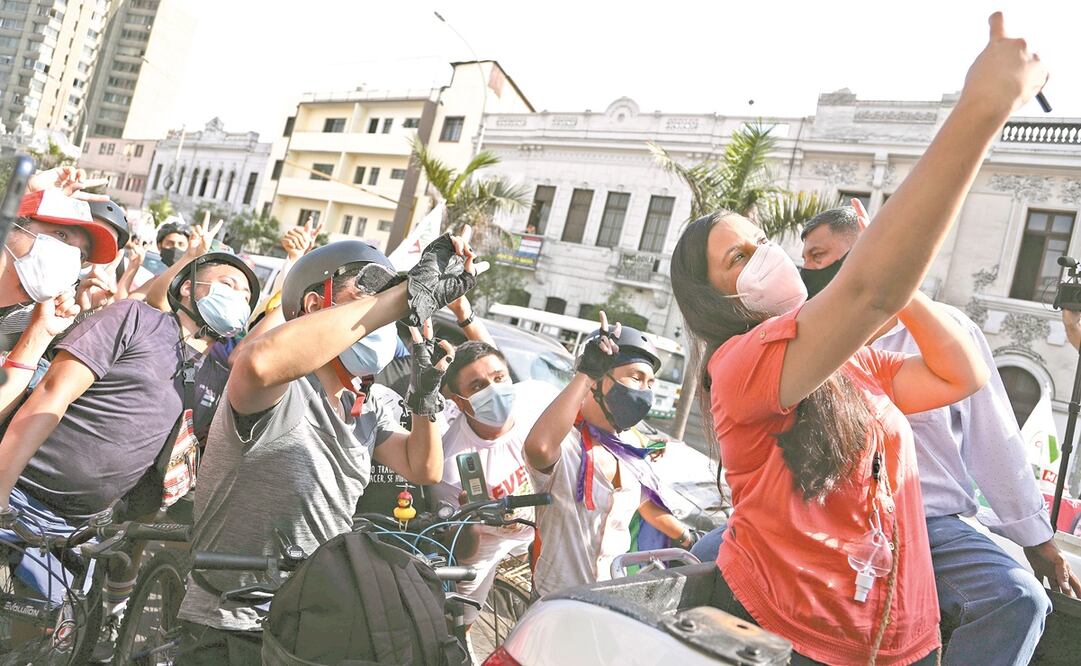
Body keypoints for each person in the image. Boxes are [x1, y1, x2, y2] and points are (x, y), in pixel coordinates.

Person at [667, 14, 1043, 664]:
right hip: (809, 642)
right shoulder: (741, 362)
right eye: (737, 259)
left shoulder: (846, 361)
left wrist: (900, 288)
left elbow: (960, 375)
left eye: (761, 243)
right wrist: (982, 108)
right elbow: (871, 291)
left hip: (901, 642)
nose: (767, 257)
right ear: (715, 298)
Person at [175, 232, 484, 664]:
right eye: (367, 296)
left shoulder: (370, 401)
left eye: (386, 307)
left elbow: (423, 467)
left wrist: (424, 398)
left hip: (315, 608)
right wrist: (404, 295)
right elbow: (257, 362)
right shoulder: (282, 386)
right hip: (233, 612)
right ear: (316, 306)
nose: (380, 318)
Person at [800, 202, 1079, 664]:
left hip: (929, 524)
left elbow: (996, 439)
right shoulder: (802, 333)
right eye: (806, 258)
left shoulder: (947, 333)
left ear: (870, 253)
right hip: (822, 520)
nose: (807, 269)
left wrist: (1035, 536)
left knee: (1019, 598)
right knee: (713, 558)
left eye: (819, 255)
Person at [524, 318, 697, 598]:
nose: (646, 392)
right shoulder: (565, 442)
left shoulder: (630, 445)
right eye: (636, 377)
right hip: (556, 600)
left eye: (650, 382)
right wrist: (585, 374)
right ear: (598, 381)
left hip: (609, 598)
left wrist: (688, 539)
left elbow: (645, 503)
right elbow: (540, 448)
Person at [431, 340, 559, 625]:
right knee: (456, 621)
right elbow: (462, 552)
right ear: (459, 401)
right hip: (488, 545)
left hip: (546, 527)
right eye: (477, 387)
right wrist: (468, 523)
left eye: (499, 378)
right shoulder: (449, 462)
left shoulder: (539, 402)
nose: (494, 390)